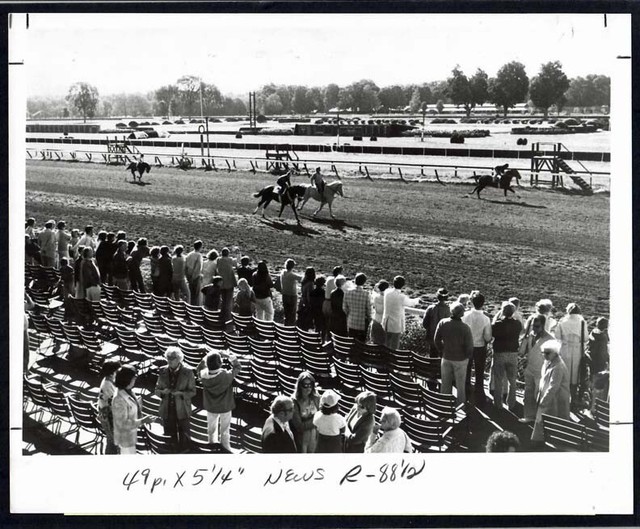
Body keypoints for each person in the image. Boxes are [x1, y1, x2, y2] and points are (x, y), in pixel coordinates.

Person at [198, 350, 241, 452]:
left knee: (211, 429)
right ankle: (225, 448)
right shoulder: (226, 376)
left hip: (211, 407)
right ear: (221, 363)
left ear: (208, 364)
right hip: (225, 407)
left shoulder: (203, 375)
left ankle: (212, 446)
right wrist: (230, 356)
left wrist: (207, 357)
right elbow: (238, 367)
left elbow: (199, 368)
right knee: (225, 429)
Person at [155, 347, 196, 453]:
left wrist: (181, 394)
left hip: (182, 407)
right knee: (169, 434)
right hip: (167, 407)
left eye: (172, 358)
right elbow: (157, 390)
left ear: (179, 359)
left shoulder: (188, 372)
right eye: (167, 358)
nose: (169, 361)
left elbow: (192, 392)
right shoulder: (162, 370)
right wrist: (163, 393)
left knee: (184, 434)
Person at [531, 340, 571, 443]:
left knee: (552, 421)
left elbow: (554, 386)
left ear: (555, 353)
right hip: (550, 397)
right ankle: (544, 440)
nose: (544, 355)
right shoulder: (549, 362)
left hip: (557, 398)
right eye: (543, 352)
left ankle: (541, 441)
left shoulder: (558, 367)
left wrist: (543, 401)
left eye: (547, 353)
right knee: (547, 421)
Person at [434, 302, 474, 405]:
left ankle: (444, 406)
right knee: (460, 386)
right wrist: (466, 357)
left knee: (445, 385)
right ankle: (460, 407)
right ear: (462, 314)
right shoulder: (465, 328)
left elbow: (436, 340)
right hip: (460, 360)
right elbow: (469, 347)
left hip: (446, 357)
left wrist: (442, 350)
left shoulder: (443, 323)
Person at [518, 314, 554, 423]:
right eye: (533, 326)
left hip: (541, 372)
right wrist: (525, 339)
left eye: (537, 326)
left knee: (540, 397)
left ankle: (541, 420)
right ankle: (529, 416)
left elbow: (553, 358)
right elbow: (521, 352)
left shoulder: (550, 339)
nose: (534, 328)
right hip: (530, 369)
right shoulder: (530, 336)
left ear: (543, 325)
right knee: (528, 395)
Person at [112, 365, 154, 454]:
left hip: (131, 435)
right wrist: (143, 420)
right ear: (127, 380)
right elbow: (123, 423)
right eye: (133, 378)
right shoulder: (119, 399)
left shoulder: (129, 391)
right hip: (125, 440)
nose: (135, 380)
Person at [554, 302, 588, 408]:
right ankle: (573, 400)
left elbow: (557, 336)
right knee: (575, 377)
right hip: (578, 351)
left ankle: (562, 400)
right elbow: (586, 338)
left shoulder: (562, 322)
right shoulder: (582, 322)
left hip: (565, 349)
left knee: (565, 375)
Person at [462, 292, 492, 404]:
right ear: (483, 304)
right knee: (479, 372)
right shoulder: (485, 319)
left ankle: (466, 393)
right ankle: (479, 396)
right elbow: (487, 337)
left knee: (467, 370)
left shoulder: (465, 315)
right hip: (480, 347)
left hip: (467, 346)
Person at [491, 302, 523, 410]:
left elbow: (493, 333)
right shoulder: (518, 324)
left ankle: (498, 403)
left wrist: (497, 317)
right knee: (512, 380)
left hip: (499, 353)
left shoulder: (497, 324)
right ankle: (511, 403)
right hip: (513, 353)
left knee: (498, 379)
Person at [382, 275, 419, 350]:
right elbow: (411, 303)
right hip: (395, 325)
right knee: (394, 346)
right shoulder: (401, 297)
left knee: (386, 344)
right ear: (402, 285)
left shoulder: (387, 292)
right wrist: (417, 300)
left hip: (386, 322)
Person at [290, 372, 320, 453]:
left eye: (310, 385)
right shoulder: (294, 401)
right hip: (302, 437)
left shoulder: (316, 397)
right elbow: (299, 426)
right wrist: (317, 420)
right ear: (299, 386)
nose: (308, 388)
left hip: (316, 435)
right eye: (305, 385)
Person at [96, 359, 122, 454]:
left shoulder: (108, 381)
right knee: (113, 442)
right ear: (112, 373)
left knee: (111, 441)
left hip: (107, 414)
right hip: (108, 417)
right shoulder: (107, 385)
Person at [586, 317, 609, 412]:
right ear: (605, 326)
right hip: (600, 363)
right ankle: (595, 407)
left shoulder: (592, 332)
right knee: (599, 386)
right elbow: (603, 352)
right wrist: (607, 361)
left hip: (591, 361)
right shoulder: (603, 337)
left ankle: (590, 405)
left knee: (592, 384)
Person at [422, 287, 451, 357]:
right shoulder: (449, 310)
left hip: (432, 337)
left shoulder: (431, 308)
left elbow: (425, 324)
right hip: (444, 339)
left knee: (432, 356)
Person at [343, 272, 370, 342]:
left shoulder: (347, 292)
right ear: (364, 282)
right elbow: (368, 310)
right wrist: (368, 319)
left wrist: (349, 314)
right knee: (361, 343)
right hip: (362, 323)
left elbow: (344, 308)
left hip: (351, 321)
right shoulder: (366, 294)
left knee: (351, 342)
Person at [216, 247, 238, 326]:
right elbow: (236, 263)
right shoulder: (230, 260)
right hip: (229, 283)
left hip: (221, 283)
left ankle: (222, 315)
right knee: (228, 301)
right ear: (228, 254)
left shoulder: (218, 260)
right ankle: (227, 318)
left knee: (223, 300)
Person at [280, 258, 302, 326]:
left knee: (287, 314)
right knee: (292, 314)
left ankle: (286, 326)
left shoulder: (283, 273)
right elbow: (301, 278)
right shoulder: (292, 275)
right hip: (292, 296)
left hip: (284, 295)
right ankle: (291, 329)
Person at [370, 280, 389, 346]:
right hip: (384, 323)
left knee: (375, 342)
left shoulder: (375, 297)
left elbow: (374, 292)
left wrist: (376, 288)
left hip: (376, 320)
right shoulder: (388, 299)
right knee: (384, 343)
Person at [185, 240, 204, 305]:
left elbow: (185, 267)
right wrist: (193, 277)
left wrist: (188, 277)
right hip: (195, 277)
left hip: (189, 276)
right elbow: (198, 268)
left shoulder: (189, 254)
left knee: (190, 294)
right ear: (200, 247)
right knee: (196, 295)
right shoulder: (199, 255)